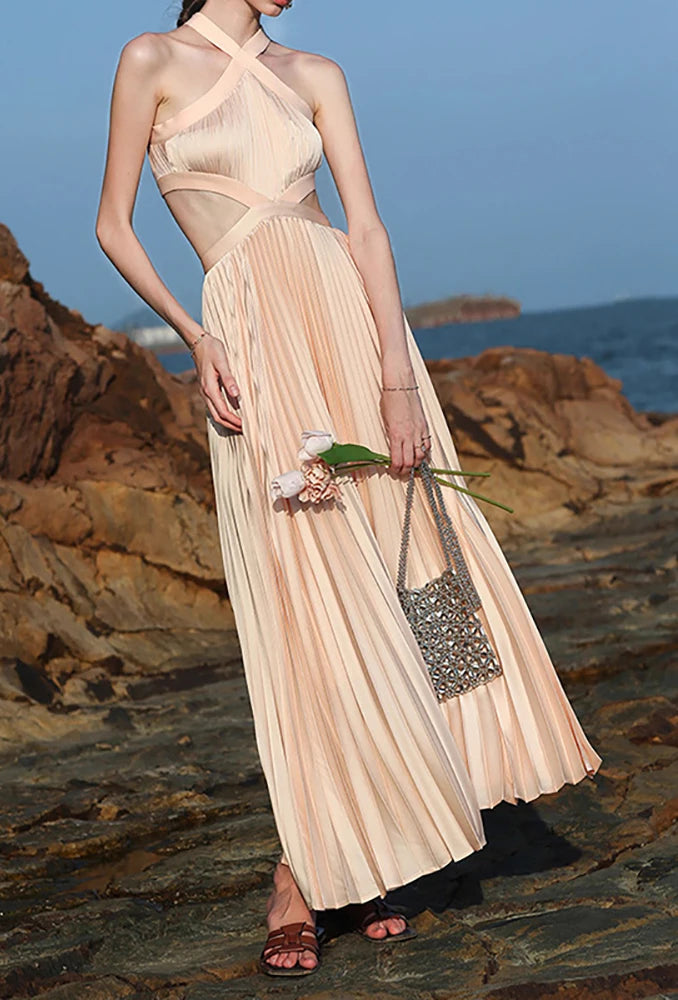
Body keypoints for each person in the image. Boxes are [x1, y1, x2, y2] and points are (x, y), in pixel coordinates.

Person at [96, 0, 602, 978]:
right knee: (310, 597)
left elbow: (364, 228)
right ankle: (307, 867)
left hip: (357, 333)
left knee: (420, 567)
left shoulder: (316, 72)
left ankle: (432, 819)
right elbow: (114, 225)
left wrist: (399, 378)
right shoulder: (149, 60)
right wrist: (196, 340)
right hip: (252, 338)